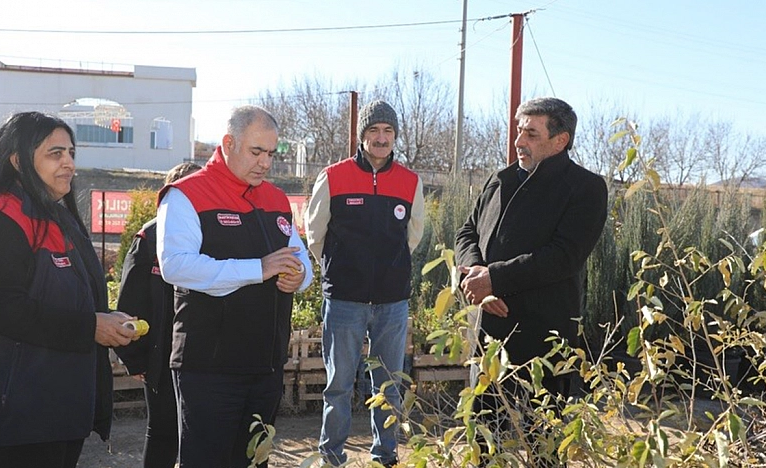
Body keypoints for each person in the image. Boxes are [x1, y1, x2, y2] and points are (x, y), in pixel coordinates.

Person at [0, 111, 137, 468]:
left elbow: (69, 297)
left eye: (71, 153)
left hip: (56, 414)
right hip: (10, 422)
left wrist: (106, 318)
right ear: (17, 160)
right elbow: (0, 309)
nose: (69, 164)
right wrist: (89, 326)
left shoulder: (56, 217)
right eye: (55, 153)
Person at [454, 97, 608, 466]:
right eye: (519, 130)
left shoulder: (585, 188)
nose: (519, 141)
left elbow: (563, 256)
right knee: (483, 443)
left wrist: (495, 279)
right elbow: (466, 232)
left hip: (544, 342)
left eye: (531, 133)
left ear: (560, 141)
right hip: (489, 335)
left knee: (544, 446)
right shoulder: (499, 179)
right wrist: (477, 279)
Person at [157, 105, 312, 468]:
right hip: (209, 367)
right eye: (256, 152)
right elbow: (175, 265)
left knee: (253, 461)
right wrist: (256, 269)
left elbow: (300, 257)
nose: (265, 163)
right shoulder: (185, 195)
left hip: (265, 364)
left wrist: (299, 276)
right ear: (228, 143)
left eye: (271, 154)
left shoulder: (275, 199)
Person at [305, 100, 425, 467]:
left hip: (392, 302)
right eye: (374, 131)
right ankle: (332, 456)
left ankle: (384, 456)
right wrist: (340, 269)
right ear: (362, 136)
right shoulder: (334, 175)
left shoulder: (410, 181)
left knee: (388, 385)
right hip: (344, 300)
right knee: (338, 385)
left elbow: (413, 234)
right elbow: (314, 232)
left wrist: (387, 269)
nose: (381, 137)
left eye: (388, 131)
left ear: (395, 137)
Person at [113, 161, 201, 468]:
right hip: (160, 358)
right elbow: (129, 303)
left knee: (199, 435)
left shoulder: (213, 235)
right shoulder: (147, 239)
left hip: (203, 357)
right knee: (163, 432)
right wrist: (135, 358)